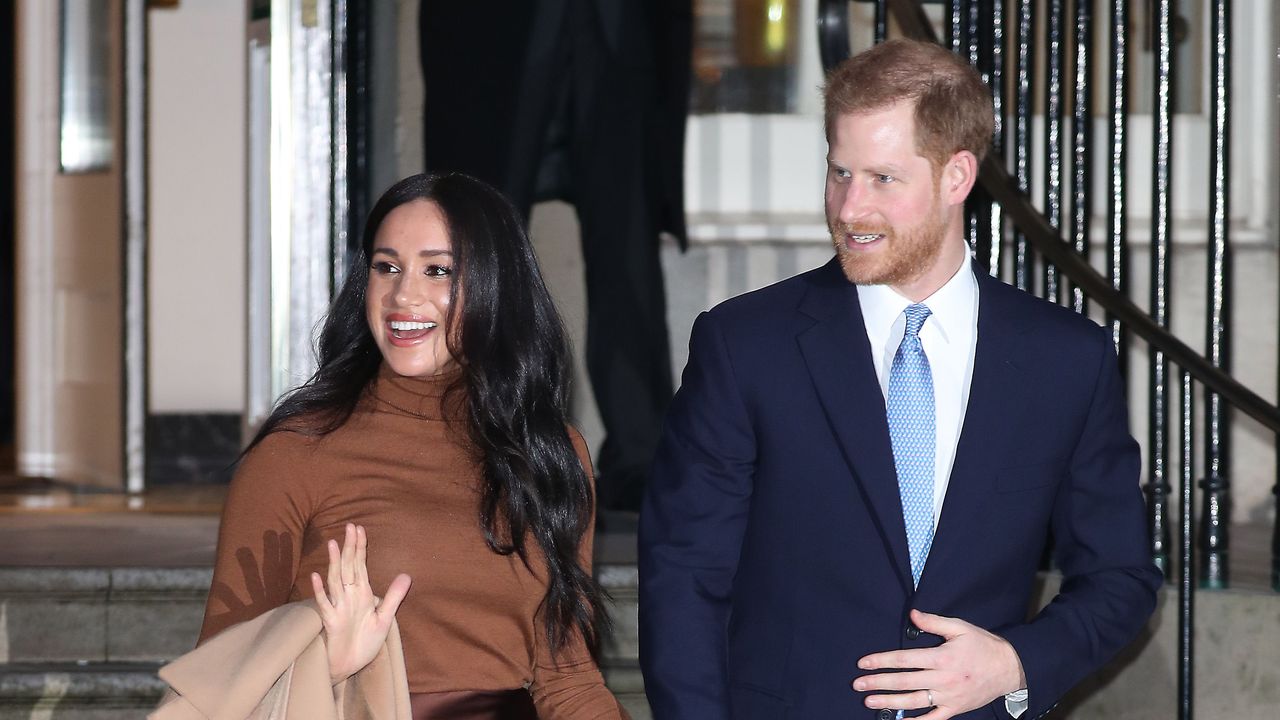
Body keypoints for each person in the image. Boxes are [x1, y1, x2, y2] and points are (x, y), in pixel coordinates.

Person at [638, 39, 1161, 720]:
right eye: (839, 173)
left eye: (883, 179)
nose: (850, 208)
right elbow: (684, 577)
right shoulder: (745, 345)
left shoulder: (1065, 360)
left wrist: (1014, 663)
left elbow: (1120, 577)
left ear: (956, 177)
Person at [200, 172, 627, 719]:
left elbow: (567, 678)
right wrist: (326, 666)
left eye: (438, 270)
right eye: (387, 267)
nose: (404, 294)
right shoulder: (296, 453)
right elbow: (219, 678)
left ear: (496, 286)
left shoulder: (549, 451)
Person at [419, 0, 692, 513]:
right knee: (479, 239)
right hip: (493, 26)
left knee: (626, 243)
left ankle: (640, 453)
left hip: (618, 23)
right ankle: (475, 439)